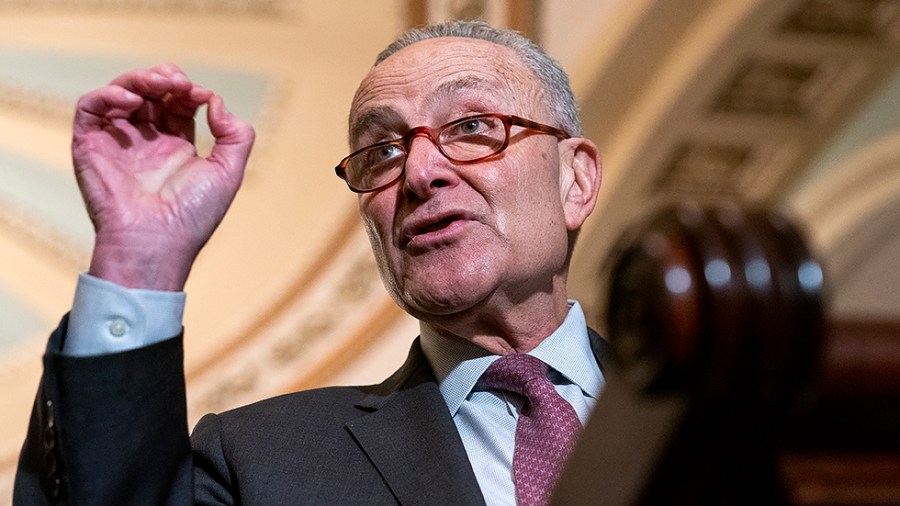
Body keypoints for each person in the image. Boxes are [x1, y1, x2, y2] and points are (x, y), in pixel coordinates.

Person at [14, 20, 604, 505]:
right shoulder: (258, 461)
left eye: (473, 126)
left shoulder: (695, 405)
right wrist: (137, 256)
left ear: (575, 179)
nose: (420, 173)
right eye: (383, 152)